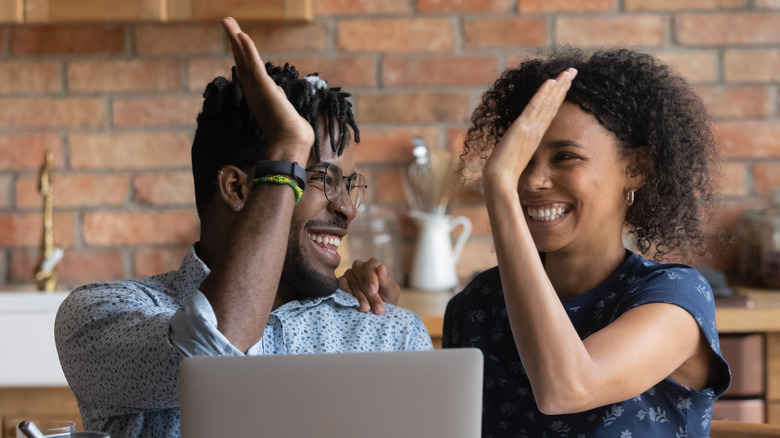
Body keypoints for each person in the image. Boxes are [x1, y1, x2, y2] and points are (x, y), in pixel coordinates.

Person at [55, 17, 432, 438]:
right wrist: (287, 148)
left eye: (348, 185)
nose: (347, 208)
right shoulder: (103, 316)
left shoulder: (386, 333)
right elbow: (210, 354)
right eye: (323, 179)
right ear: (238, 188)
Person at [346, 47, 731, 437]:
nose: (532, 181)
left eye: (565, 156)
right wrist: (385, 321)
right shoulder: (478, 304)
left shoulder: (676, 299)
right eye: (522, 160)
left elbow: (567, 389)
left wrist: (498, 184)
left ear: (636, 168)